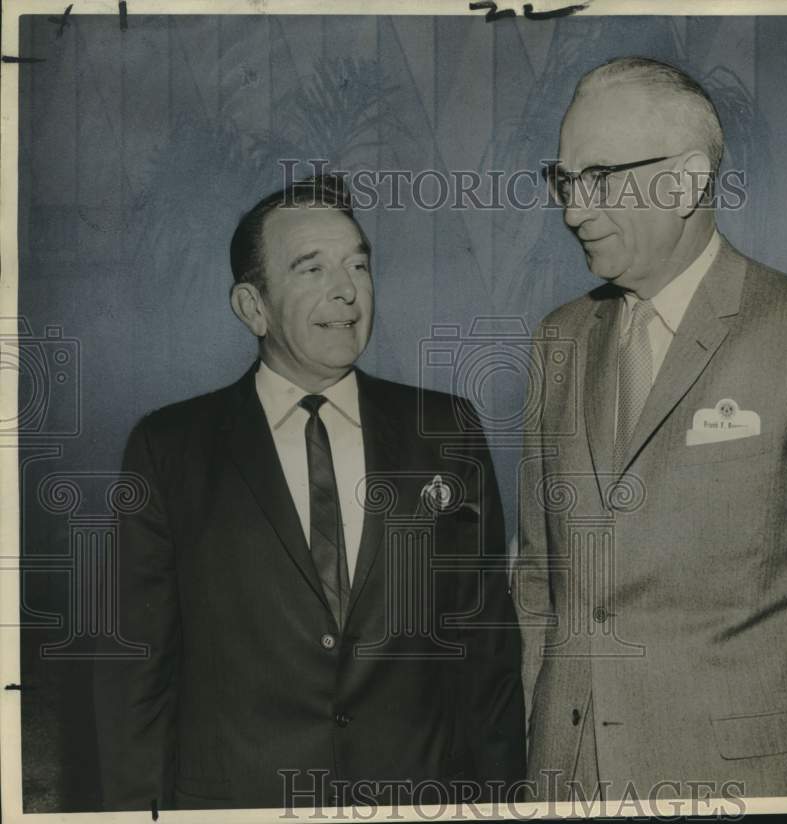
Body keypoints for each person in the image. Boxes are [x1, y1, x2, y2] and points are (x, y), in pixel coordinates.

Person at [513, 56, 787, 802]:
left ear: (687, 180)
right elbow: (543, 587)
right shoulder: (559, 342)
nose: (573, 209)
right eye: (563, 180)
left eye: (598, 177)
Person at [93, 175, 525, 811]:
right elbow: (136, 677)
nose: (346, 291)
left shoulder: (446, 431)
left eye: (358, 264)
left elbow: (486, 656)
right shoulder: (170, 448)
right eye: (311, 268)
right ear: (253, 306)